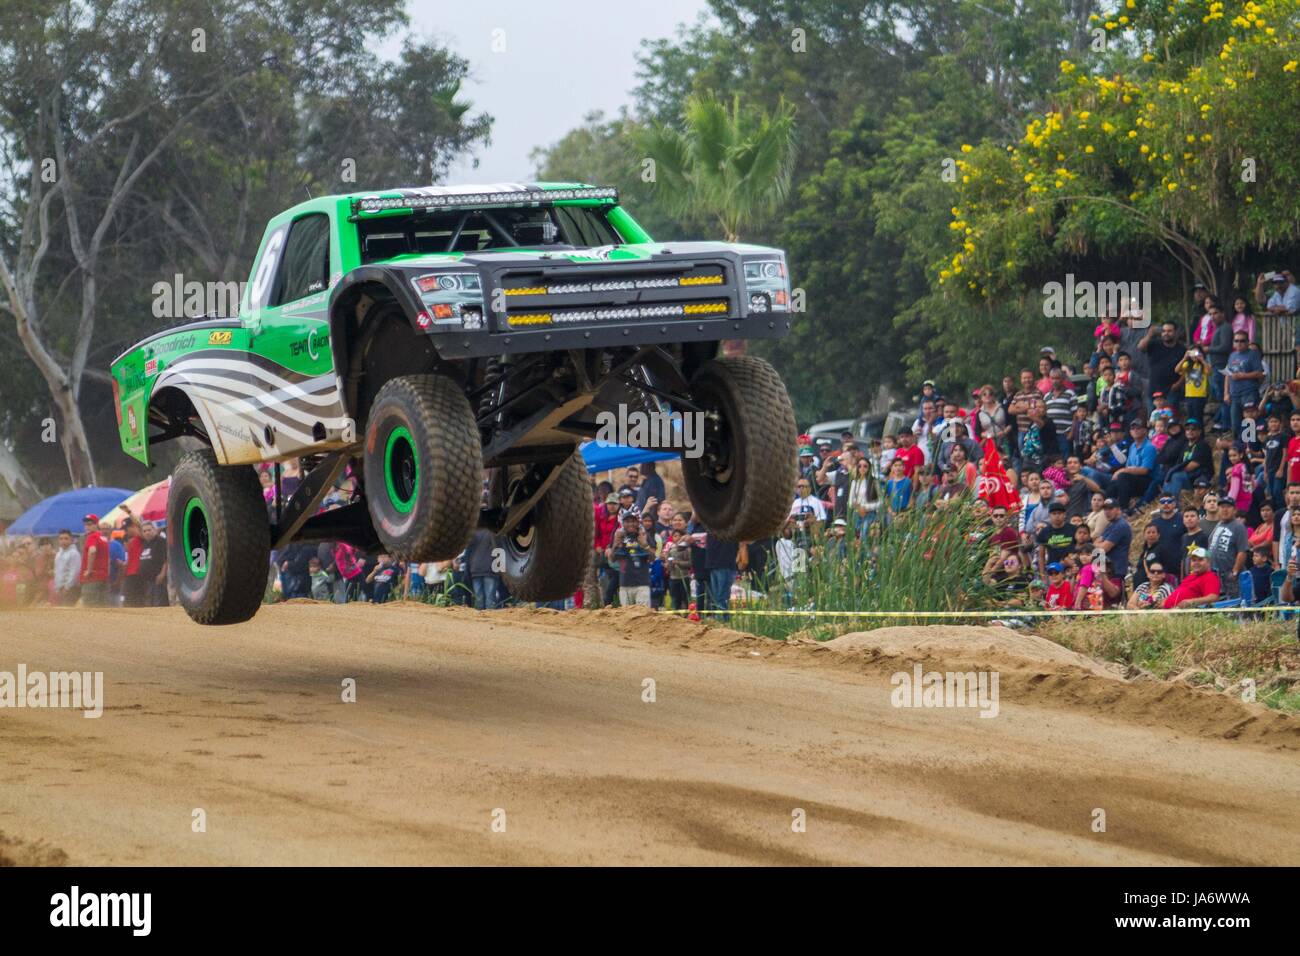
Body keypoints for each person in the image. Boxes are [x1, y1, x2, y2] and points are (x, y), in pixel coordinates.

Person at [1223, 330, 1264, 441]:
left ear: (1247, 342)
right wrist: (1226, 393)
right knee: (1235, 425)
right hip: (1234, 395)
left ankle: (1250, 450)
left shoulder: (1253, 354)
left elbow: (1260, 373)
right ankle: (1238, 449)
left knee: (1249, 423)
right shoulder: (1232, 355)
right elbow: (1227, 374)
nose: (1239, 343)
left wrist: (1243, 376)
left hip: (1249, 393)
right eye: (1236, 341)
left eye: (1242, 341)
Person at [1207, 497, 1249, 598]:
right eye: (1222, 507)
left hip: (1230, 575)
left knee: (1234, 605)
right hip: (1216, 574)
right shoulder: (1218, 525)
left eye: (1228, 507)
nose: (1225, 510)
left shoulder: (1238, 526)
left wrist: (1235, 572)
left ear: (1234, 510)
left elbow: (1242, 551)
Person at [79, 514, 109, 606]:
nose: (87, 527)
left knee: (90, 608)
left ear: (96, 525)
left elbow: (92, 551)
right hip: (103, 577)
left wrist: (89, 570)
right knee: (103, 607)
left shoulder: (92, 536)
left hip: (92, 578)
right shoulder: (103, 538)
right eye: (86, 524)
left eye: (90, 524)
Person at [52, 529, 81, 606]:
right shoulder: (58, 554)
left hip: (71, 589)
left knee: (69, 611)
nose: (63, 541)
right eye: (61, 539)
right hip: (60, 588)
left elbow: (74, 572)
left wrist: (67, 587)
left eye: (66, 538)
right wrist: (57, 587)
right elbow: (57, 571)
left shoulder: (74, 553)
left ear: (71, 540)